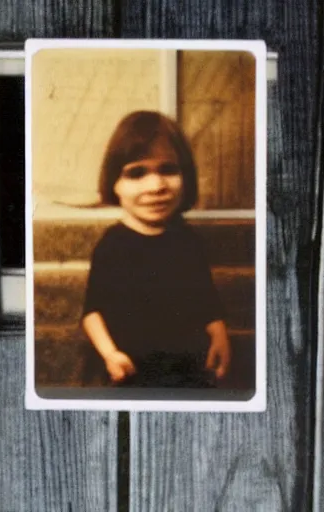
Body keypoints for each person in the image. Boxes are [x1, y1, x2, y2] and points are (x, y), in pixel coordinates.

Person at [81, 110, 231, 388]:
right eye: (137, 173)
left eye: (168, 169)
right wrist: (110, 354)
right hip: (129, 371)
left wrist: (219, 333)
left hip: (188, 369)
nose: (156, 185)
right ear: (115, 184)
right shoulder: (112, 246)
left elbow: (206, 301)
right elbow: (92, 312)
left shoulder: (188, 241)